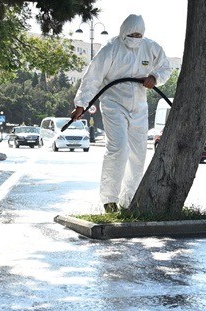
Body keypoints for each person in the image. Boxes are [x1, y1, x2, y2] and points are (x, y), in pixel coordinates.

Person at [69, 15, 172, 213]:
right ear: (123, 32)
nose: (134, 38)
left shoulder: (151, 48)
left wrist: (154, 77)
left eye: (138, 35)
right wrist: (81, 104)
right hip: (113, 103)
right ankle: (110, 200)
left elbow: (165, 67)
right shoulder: (111, 48)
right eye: (131, 34)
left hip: (139, 107)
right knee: (119, 148)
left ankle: (129, 200)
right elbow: (93, 77)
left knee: (138, 153)